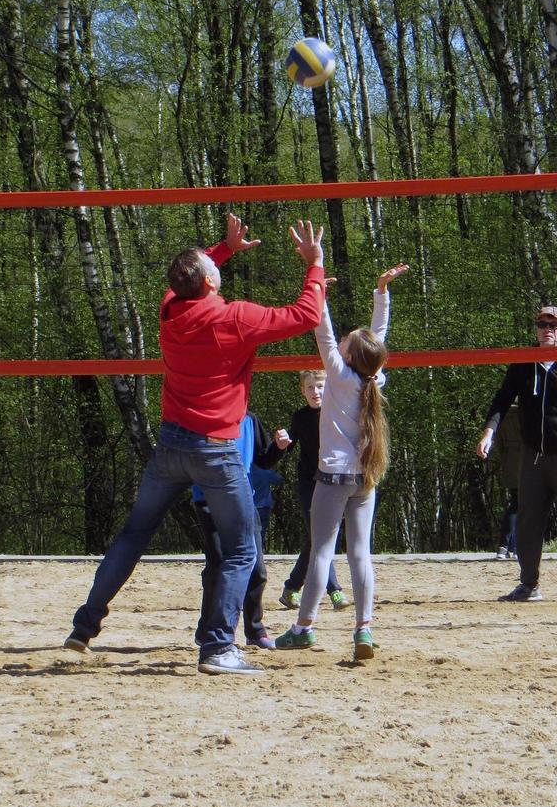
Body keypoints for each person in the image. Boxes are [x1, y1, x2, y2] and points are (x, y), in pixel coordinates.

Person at [64, 215, 326, 676]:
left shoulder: (170, 310)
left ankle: (83, 628)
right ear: (208, 281)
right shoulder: (235, 317)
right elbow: (305, 315)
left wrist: (222, 249)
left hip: (170, 447)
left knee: (133, 536)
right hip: (217, 452)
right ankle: (218, 648)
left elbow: (187, 279)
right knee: (243, 550)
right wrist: (314, 264)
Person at [276, 263, 408, 660]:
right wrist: (381, 293)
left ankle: (303, 627)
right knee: (360, 555)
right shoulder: (373, 377)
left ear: (348, 355)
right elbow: (377, 337)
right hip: (365, 476)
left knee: (320, 552)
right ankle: (363, 631)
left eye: (348, 341)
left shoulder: (337, 374)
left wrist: (317, 292)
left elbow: (322, 331)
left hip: (332, 476)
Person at [476, 305, 557, 603]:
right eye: (542, 325)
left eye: (553, 325)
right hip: (532, 456)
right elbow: (502, 399)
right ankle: (529, 584)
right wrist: (489, 431)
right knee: (528, 521)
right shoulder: (523, 362)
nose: (547, 330)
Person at [192, 412, 283, 651]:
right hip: (208, 498)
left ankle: (255, 630)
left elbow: (263, 460)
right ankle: (208, 630)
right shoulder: (203, 416)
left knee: (257, 568)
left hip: (245, 500)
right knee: (218, 564)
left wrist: (280, 447)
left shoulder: (251, 420)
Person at [273, 370, 349, 613]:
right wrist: (282, 440)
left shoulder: (340, 414)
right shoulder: (300, 417)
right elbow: (289, 441)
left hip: (336, 483)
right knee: (320, 538)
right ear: (302, 391)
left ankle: (291, 588)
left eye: (319, 386)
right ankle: (334, 590)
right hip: (309, 484)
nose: (315, 392)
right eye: (309, 387)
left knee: (316, 539)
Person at [490, 405, 521, 559]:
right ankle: (515, 547)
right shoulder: (526, 412)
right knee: (523, 506)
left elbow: (499, 443)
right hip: (527, 460)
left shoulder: (501, 415)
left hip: (510, 461)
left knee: (515, 503)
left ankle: (505, 547)